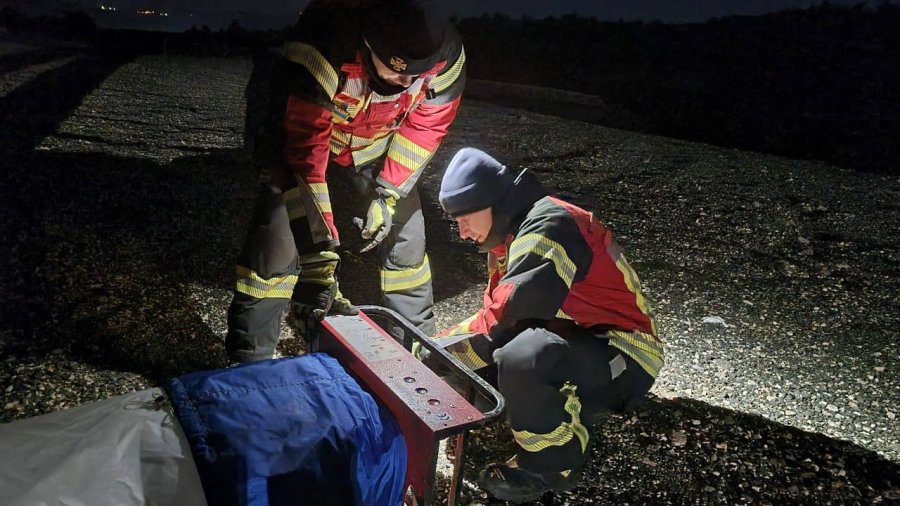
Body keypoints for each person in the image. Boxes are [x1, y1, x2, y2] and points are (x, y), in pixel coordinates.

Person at [226, 0, 465, 363]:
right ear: (368, 45)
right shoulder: (324, 39)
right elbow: (306, 153)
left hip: (372, 145)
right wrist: (319, 256)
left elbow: (424, 129)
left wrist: (387, 196)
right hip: (297, 136)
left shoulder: (446, 54)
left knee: (408, 240)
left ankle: (417, 351)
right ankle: (249, 361)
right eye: (397, 71)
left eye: (416, 75)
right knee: (277, 243)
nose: (406, 83)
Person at [433, 147, 665, 503]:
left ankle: (554, 463)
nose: (462, 232)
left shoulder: (548, 226)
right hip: (581, 340)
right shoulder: (516, 230)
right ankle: (540, 406)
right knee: (485, 363)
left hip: (626, 356)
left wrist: (434, 355)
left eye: (464, 218)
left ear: (492, 201)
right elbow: (495, 312)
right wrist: (435, 345)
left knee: (521, 356)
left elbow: (507, 319)